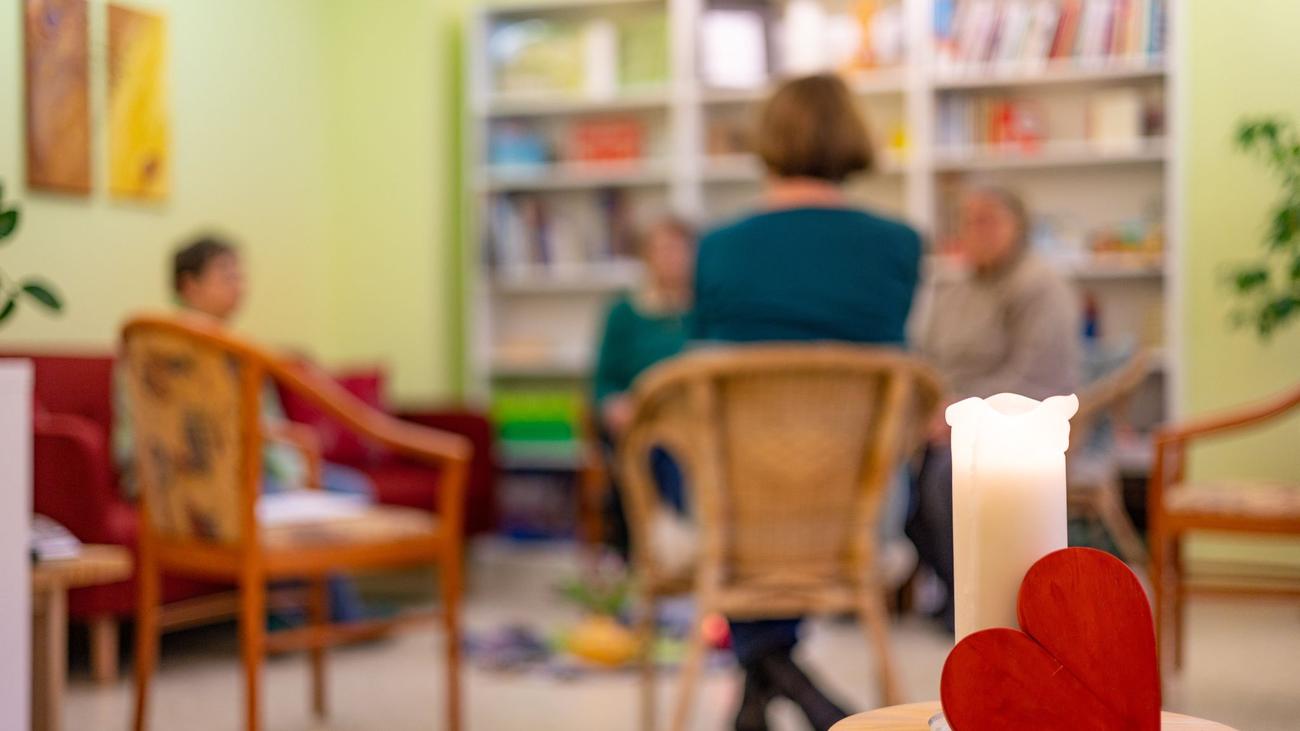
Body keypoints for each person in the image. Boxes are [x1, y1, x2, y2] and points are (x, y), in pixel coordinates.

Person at [691, 74, 922, 731]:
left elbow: (694, 379)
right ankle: (786, 675)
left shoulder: (718, 248)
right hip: (860, 506)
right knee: (810, 465)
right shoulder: (899, 245)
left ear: (768, 139)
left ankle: (769, 671)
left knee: (719, 461)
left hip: (733, 510)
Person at [114, 235, 375, 620]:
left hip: (250, 468)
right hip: (198, 477)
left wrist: (288, 462)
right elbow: (165, 434)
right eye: (227, 276)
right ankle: (312, 615)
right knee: (295, 498)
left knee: (349, 489)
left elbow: (263, 428)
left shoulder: (236, 349)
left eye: (240, 276)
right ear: (189, 285)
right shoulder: (161, 351)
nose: (240, 286)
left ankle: (315, 610)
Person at [908, 186, 1081, 632]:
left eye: (988, 219)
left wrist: (963, 415)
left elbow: (1036, 374)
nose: (976, 230)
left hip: (1012, 421)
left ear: (1018, 226)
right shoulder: (954, 289)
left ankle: (981, 601)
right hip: (944, 416)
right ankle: (952, 588)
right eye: (967, 221)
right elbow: (926, 361)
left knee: (947, 476)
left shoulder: (1041, 287)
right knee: (890, 476)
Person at [592, 217, 694, 557]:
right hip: (642, 418)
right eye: (661, 250)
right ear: (647, 256)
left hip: (694, 417)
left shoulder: (703, 311)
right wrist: (612, 403)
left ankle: (680, 541)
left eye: (678, 249)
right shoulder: (624, 313)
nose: (670, 258)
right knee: (652, 447)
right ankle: (657, 545)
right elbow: (604, 381)